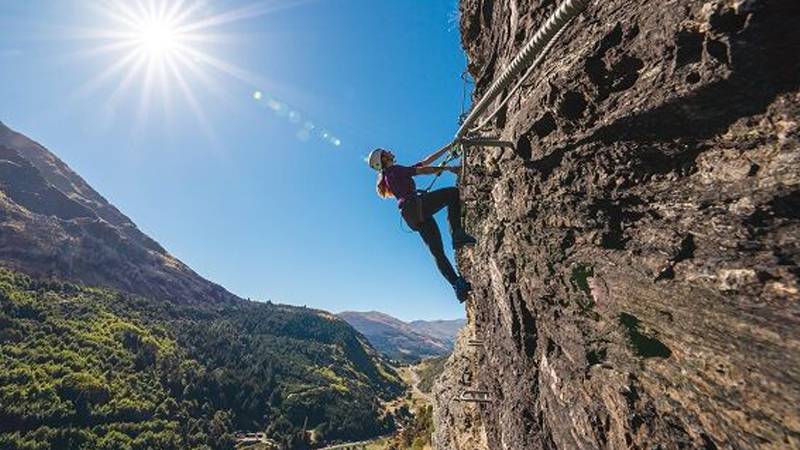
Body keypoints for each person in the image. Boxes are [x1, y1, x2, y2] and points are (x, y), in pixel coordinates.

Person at [368, 144, 476, 302]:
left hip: (411, 214)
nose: (390, 151)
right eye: (386, 152)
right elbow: (422, 170)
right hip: (415, 205)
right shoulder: (394, 170)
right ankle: (457, 234)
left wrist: (449, 147)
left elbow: (424, 162)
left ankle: (458, 285)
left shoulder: (390, 174)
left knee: (437, 252)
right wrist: (448, 169)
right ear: (383, 159)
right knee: (453, 194)